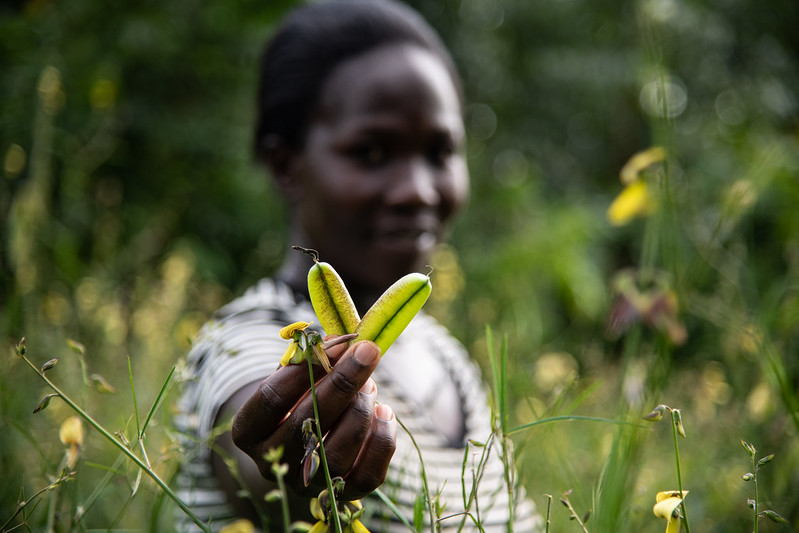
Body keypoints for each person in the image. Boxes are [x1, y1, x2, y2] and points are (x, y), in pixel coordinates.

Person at [174, 1, 542, 531]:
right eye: (371, 152)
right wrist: (288, 469)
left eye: (439, 152)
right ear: (286, 165)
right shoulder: (244, 341)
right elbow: (254, 459)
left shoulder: (446, 356)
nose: (417, 190)